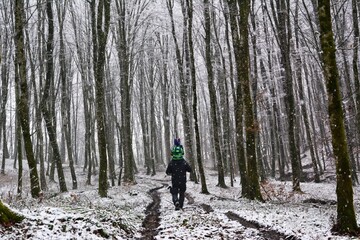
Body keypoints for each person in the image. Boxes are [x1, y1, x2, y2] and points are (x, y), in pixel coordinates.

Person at [166, 138, 192, 210]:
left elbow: (167, 172)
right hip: (183, 180)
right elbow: (190, 170)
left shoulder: (171, 163)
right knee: (182, 193)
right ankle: (180, 205)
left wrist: (171, 172)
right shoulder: (184, 162)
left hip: (175, 180)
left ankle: (176, 202)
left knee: (174, 192)